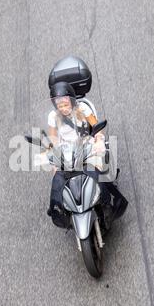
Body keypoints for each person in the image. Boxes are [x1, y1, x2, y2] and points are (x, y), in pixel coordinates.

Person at [46, 81, 128, 227]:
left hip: (85, 146)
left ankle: (106, 203)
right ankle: (60, 207)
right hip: (66, 152)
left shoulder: (82, 108)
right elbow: (52, 138)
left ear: (72, 101)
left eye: (66, 104)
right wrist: (50, 153)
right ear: (55, 106)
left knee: (98, 172)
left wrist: (99, 140)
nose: (63, 109)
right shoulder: (53, 116)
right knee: (57, 178)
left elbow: (96, 126)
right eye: (60, 106)